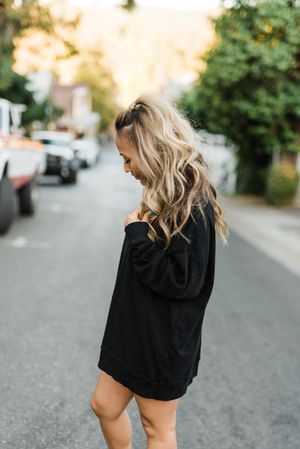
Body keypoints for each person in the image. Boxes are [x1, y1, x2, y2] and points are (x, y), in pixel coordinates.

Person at [90, 92, 229, 449]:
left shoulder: (190, 198)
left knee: (157, 428)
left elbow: (182, 281)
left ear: (151, 149)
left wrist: (136, 232)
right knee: (104, 405)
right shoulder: (165, 191)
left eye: (127, 159)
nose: (126, 169)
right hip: (134, 331)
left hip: (162, 340)